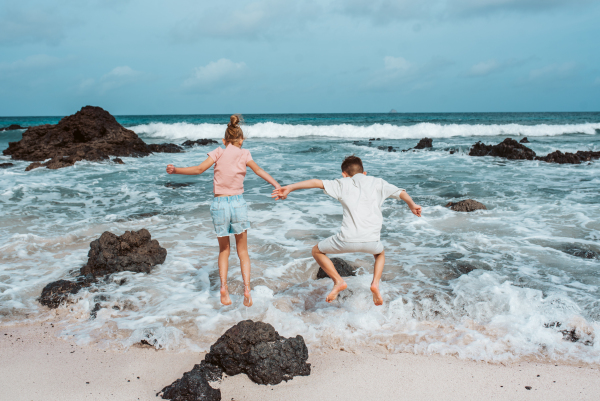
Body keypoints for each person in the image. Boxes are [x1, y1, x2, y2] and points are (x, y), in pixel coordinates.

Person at [272, 155, 421, 306]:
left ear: (344, 174)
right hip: (371, 241)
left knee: (316, 251)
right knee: (380, 253)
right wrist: (412, 205)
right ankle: (375, 283)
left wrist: (289, 187)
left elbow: (316, 182)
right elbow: (400, 192)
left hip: (346, 240)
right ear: (364, 173)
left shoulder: (343, 183)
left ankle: (338, 281)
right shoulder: (377, 182)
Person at [166, 115, 280, 307]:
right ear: (241, 140)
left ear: (224, 140)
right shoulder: (245, 154)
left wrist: (176, 170)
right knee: (243, 251)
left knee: (224, 250)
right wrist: (277, 185)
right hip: (238, 204)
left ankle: (224, 289)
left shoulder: (218, 151)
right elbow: (259, 171)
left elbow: (198, 170)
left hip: (219, 204)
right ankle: (246, 290)